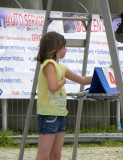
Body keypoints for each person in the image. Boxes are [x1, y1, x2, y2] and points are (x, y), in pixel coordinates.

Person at [35, 31, 93, 160]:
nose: (66, 49)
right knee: (44, 155)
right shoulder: (50, 64)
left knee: (56, 155)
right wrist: (63, 81)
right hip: (48, 114)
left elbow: (83, 80)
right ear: (57, 47)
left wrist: (104, 75)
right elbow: (53, 87)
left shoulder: (60, 66)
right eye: (64, 46)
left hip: (60, 114)